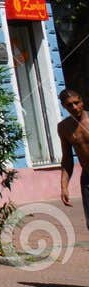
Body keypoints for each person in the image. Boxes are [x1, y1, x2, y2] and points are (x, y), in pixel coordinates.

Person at [58, 88, 89, 227]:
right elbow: (67, 159)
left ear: (82, 101)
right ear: (64, 106)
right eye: (69, 105)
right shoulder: (64, 127)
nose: (74, 107)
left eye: (76, 102)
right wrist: (64, 186)